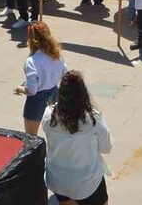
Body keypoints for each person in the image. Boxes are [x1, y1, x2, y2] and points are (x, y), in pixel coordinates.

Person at [43, 71, 112, 205]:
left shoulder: (48, 114)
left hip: (58, 180)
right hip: (88, 183)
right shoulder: (93, 119)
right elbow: (106, 148)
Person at [14, 21, 66, 135]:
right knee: (55, 131)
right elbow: (64, 74)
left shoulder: (31, 62)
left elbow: (32, 91)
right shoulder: (57, 55)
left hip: (37, 100)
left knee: (31, 136)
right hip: (54, 94)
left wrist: (19, 88)